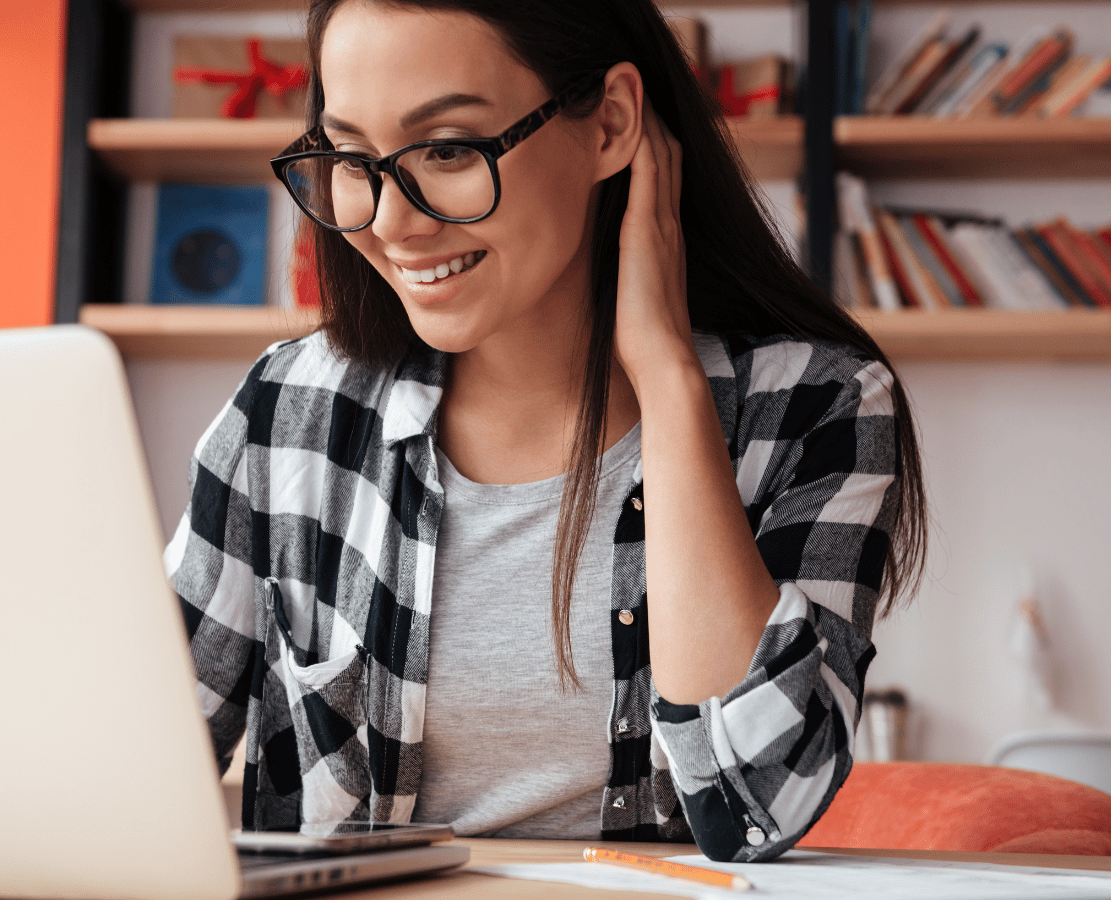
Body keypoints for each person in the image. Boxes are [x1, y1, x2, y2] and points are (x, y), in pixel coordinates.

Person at [166, 0, 927, 863]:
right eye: (349, 157)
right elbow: (128, 768)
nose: (389, 221)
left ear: (609, 123)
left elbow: (759, 801)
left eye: (448, 149)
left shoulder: (814, 407)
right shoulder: (288, 411)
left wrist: (669, 382)